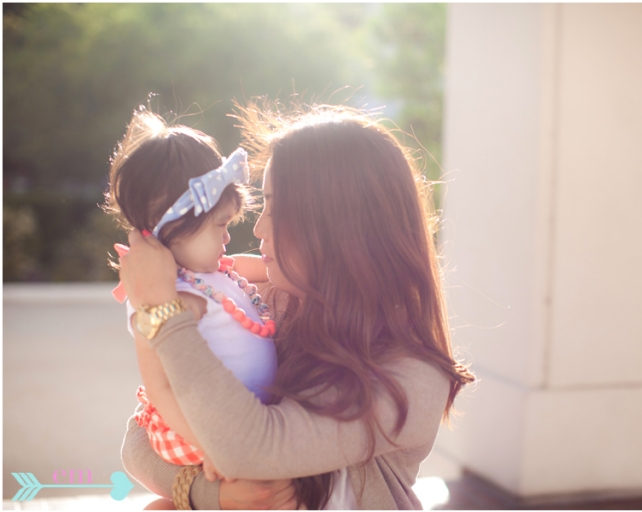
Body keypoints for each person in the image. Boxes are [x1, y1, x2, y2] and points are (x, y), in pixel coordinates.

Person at [119, 102, 476, 510]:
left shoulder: (410, 377)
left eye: (277, 208)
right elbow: (138, 437)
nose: (258, 227)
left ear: (338, 226)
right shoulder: (271, 307)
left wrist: (162, 310)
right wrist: (205, 492)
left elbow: (253, 448)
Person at [106, 110, 331, 509]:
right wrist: (210, 444)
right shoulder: (163, 297)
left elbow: (273, 266)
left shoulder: (219, 272)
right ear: (171, 227)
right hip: (198, 430)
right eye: (219, 225)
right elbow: (161, 389)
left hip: (242, 420)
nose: (229, 236)